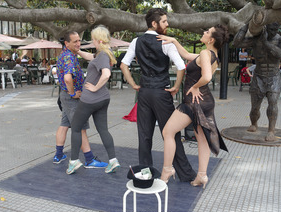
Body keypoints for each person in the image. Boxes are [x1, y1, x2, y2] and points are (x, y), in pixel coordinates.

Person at [120, 8, 196, 182]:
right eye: (164, 21)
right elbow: (181, 66)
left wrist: (133, 84)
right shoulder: (166, 42)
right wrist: (176, 86)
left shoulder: (136, 41)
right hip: (162, 93)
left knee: (144, 135)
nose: (167, 24)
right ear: (154, 24)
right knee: (171, 133)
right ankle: (185, 174)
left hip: (144, 93)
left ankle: (146, 174)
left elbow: (124, 65)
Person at [157, 25, 229, 187]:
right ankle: (202, 176)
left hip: (195, 102)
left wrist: (195, 86)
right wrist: (174, 40)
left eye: (207, 32)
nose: (203, 32)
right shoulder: (213, 55)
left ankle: (167, 170)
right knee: (202, 139)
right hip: (206, 102)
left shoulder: (205, 53)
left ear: (211, 40)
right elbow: (187, 55)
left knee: (168, 132)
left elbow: (207, 76)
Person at [69, 25, 120, 174]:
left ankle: (73, 161)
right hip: (103, 99)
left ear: (98, 40)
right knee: (103, 129)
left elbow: (106, 74)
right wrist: (77, 51)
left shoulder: (103, 55)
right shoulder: (104, 53)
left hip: (91, 99)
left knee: (76, 127)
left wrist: (95, 88)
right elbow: (91, 58)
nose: (92, 42)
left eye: (93, 40)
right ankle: (113, 161)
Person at [55, 31, 107, 173]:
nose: (78, 43)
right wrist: (72, 93)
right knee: (80, 128)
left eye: (79, 40)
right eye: (75, 42)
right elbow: (67, 78)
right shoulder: (69, 58)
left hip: (64, 96)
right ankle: (89, 160)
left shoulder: (66, 54)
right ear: (67, 43)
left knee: (64, 124)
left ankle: (58, 155)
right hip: (71, 98)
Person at [233, 22, 281, 141]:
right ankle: (254, 124)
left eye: (276, 29)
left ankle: (271, 130)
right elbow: (236, 43)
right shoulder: (256, 39)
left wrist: (266, 43)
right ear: (265, 27)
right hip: (258, 76)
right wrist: (247, 25)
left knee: (273, 103)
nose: (273, 31)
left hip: (274, 76)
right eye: (271, 29)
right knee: (255, 107)